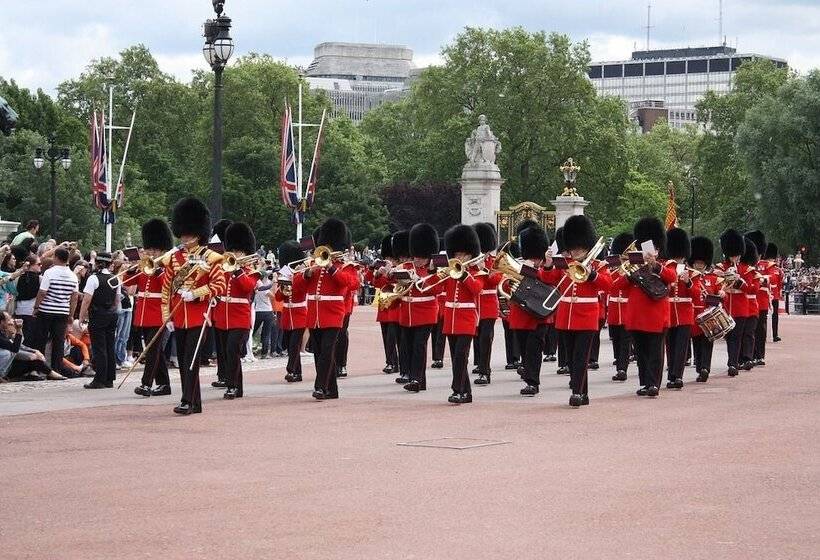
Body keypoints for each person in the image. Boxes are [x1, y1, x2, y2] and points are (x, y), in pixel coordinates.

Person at [162, 197, 226, 415]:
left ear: (199, 233)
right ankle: (195, 402)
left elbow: (219, 285)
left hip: (199, 317)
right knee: (183, 361)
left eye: (189, 234)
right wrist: (167, 317)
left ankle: (187, 401)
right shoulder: (174, 258)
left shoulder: (211, 258)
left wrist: (196, 294)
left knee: (191, 360)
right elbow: (166, 289)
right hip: (179, 317)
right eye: (183, 234)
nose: (185, 238)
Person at [540, 215, 611, 407]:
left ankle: (577, 392)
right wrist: (547, 264)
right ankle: (583, 392)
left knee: (581, 358)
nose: (576, 251)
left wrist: (591, 275)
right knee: (571, 359)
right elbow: (548, 278)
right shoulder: (565, 264)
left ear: (587, 246)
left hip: (587, 316)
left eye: (580, 248)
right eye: (574, 247)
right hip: (565, 316)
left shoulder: (597, 265)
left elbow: (607, 284)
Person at [292, 218, 359, 400]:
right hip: (314, 314)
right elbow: (297, 287)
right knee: (319, 352)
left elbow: (351, 284)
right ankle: (331, 390)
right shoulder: (313, 265)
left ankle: (320, 386)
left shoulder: (345, 266)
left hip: (333, 313)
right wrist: (306, 274)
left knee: (328, 351)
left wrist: (331, 268)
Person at [614, 217, 676, 398]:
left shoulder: (663, 265)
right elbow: (615, 286)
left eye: (655, 249)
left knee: (656, 352)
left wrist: (655, 266)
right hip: (637, 316)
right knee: (641, 353)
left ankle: (653, 384)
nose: (652, 252)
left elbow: (672, 278)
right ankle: (644, 383)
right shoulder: (633, 266)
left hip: (657, 316)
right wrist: (630, 274)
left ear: (658, 250)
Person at [214, 222, 260, 400]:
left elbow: (247, 287)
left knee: (233, 351)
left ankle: (232, 386)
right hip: (222, 316)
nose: (234, 254)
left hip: (239, 318)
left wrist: (238, 270)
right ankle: (235, 386)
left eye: (238, 251)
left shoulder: (251, 271)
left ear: (245, 253)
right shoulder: (222, 270)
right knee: (226, 353)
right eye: (232, 250)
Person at [129, 219, 175, 397]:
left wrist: (158, 272)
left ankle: (146, 384)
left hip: (159, 314)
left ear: (162, 250)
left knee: (151, 350)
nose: (150, 252)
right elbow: (127, 282)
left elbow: (169, 286)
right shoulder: (145, 266)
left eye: (154, 250)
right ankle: (164, 385)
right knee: (156, 351)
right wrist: (132, 269)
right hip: (144, 314)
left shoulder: (167, 267)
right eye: (149, 249)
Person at [439, 225, 482, 404]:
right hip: (451, 318)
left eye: (463, 255)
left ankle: (457, 390)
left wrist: (464, 275)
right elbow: (435, 286)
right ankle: (466, 392)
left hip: (466, 319)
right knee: (457, 357)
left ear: (471, 255)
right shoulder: (450, 272)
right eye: (456, 254)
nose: (459, 258)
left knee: (460, 356)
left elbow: (477, 289)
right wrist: (435, 271)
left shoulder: (476, 272)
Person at [507, 224, 550, 396]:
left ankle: (533, 382)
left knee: (534, 349)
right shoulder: (518, 265)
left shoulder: (546, 267)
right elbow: (506, 283)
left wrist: (541, 267)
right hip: (520, 313)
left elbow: (550, 281)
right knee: (524, 349)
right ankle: (528, 375)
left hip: (538, 315)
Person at [397, 223, 440, 393]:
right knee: (407, 346)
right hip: (406, 313)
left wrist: (428, 276)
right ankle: (413, 377)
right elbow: (384, 284)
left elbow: (438, 290)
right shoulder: (405, 268)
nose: (417, 259)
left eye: (421, 257)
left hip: (426, 313)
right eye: (415, 256)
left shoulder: (434, 270)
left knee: (419, 347)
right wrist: (383, 273)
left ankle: (416, 379)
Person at [663, 228, 702, 389]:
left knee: (681, 346)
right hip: (670, 311)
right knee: (670, 346)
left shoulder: (692, 273)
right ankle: (671, 374)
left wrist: (688, 283)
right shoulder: (666, 269)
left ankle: (677, 376)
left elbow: (697, 295)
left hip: (685, 313)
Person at [715, 229, 757, 377]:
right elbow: (716, 283)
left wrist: (739, 281)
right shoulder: (720, 267)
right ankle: (734, 361)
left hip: (740, 308)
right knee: (729, 336)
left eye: (737, 254)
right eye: (733, 254)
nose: (735, 257)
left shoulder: (746, 269)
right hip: (726, 306)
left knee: (737, 336)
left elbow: (751, 288)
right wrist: (724, 276)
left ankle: (733, 363)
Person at [32, 246, 77, 377]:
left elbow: (42, 292)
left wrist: (36, 307)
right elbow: (74, 297)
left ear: (56, 257)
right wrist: (71, 314)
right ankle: (56, 369)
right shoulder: (72, 276)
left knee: (40, 340)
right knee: (58, 342)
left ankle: (40, 369)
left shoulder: (49, 273)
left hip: (46, 310)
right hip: (62, 312)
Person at [78, 252, 120, 389]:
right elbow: (117, 300)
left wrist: (81, 316)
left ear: (97, 263)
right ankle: (109, 378)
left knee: (99, 347)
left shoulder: (93, 278)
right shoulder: (115, 279)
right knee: (109, 345)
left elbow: (87, 299)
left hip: (98, 314)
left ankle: (99, 379)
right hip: (111, 315)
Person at [472, 223, 502, 386]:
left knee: (485, 338)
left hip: (489, 304)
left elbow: (496, 280)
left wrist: (484, 269)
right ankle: (479, 363)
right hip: (474, 305)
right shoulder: (471, 261)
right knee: (476, 337)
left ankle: (485, 371)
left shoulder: (495, 261)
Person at [366, 234, 400, 374]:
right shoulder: (384, 266)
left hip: (396, 306)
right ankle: (390, 362)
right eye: (388, 257)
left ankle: (396, 363)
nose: (389, 260)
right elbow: (375, 283)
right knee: (386, 337)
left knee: (393, 338)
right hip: (384, 306)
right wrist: (376, 272)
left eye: (391, 258)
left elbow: (397, 284)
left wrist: (388, 273)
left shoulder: (400, 268)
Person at [276, 241, 308, 383]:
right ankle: (298, 372)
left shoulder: (301, 273)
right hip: (287, 315)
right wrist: (282, 283)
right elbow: (279, 296)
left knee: (295, 345)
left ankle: (291, 370)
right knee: (290, 346)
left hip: (300, 313)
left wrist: (293, 277)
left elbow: (301, 289)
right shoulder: (285, 272)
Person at [689, 236, 718, 382]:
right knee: (697, 343)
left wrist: (722, 294)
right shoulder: (689, 277)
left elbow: (719, 295)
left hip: (708, 315)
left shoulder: (712, 278)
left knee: (707, 342)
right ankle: (700, 367)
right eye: (697, 263)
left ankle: (705, 368)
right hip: (694, 314)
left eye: (701, 263)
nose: (699, 265)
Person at [0, 311, 61, 382]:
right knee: (6, 353)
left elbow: (20, 345)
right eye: (8, 319)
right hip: (5, 365)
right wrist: (30, 355)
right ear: (2, 322)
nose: (11, 321)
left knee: (34, 361)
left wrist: (16, 331)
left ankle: (50, 373)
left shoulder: (5, 331)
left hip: (9, 365)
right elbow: (15, 349)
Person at [749, 231, 771, 365]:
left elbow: (771, 279)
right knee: (749, 330)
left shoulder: (766, 265)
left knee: (760, 329)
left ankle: (760, 355)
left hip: (761, 300)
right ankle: (749, 354)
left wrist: (761, 279)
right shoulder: (745, 265)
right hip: (749, 300)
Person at [765, 243, 783, 342]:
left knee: (775, 315)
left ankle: (775, 334)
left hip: (774, 295)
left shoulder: (777, 269)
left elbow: (779, 282)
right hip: (765, 295)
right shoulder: (762, 267)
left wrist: (779, 291)